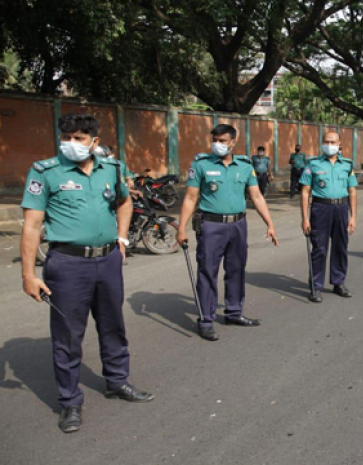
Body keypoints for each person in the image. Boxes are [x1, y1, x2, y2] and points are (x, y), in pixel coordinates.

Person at [20, 114, 154, 433]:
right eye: (66, 136)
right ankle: (69, 402)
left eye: (79, 138)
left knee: (113, 325)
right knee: (68, 336)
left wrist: (122, 238)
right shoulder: (45, 172)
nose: (71, 143)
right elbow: (32, 225)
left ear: (94, 141)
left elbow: (124, 203)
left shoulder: (112, 169)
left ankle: (117, 382)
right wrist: (28, 274)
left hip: (107, 260)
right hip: (67, 265)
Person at [176, 124, 279, 341]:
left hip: (238, 225)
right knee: (208, 271)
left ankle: (234, 312)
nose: (218, 144)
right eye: (215, 140)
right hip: (211, 225)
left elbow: (257, 196)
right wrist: (181, 228)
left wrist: (269, 223)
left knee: (236, 269)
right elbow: (191, 198)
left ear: (233, 141)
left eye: (223, 140)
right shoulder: (201, 165)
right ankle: (206, 319)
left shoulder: (244, 165)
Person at [300, 131, 358, 303]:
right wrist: (305, 218)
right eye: (326, 141)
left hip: (341, 207)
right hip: (321, 208)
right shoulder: (313, 164)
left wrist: (353, 216)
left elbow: (352, 192)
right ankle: (315, 286)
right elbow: (305, 192)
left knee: (341, 247)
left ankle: (338, 282)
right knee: (319, 249)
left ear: (339, 144)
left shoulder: (347, 165)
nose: (329, 145)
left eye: (332, 142)